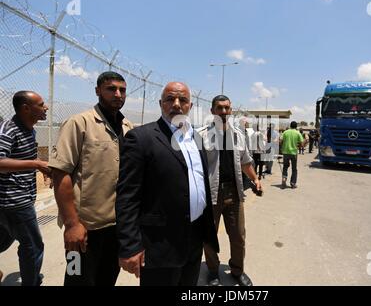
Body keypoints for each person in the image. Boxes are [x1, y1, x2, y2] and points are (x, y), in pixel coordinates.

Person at [115, 82, 219, 286]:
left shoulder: (195, 137)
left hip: (194, 237)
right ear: (161, 103)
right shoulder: (141, 138)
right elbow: (127, 197)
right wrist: (130, 245)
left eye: (183, 100)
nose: (177, 104)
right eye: (170, 99)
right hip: (160, 243)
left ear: (191, 105)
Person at [48, 71, 133, 286]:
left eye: (122, 90)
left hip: (116, 226)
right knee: (76, 278)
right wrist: (71, 224)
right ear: (97, 91)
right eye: (111, 89)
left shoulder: (127, 128)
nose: (118, 94)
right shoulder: (79, 123)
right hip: (84, 229)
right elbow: (60, 174)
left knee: (107, 278)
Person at [198, 95, 262, 287]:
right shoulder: (201, 135)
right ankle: (212, 271)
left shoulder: (238, 135)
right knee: (209, 237)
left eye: (227, 108)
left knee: (238, 236)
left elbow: (245, 161)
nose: (224, 112)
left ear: (231, 111)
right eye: (220, 108)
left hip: (234, 193)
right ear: (212, 111)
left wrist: (255, 179)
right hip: (211, 195)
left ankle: (237, 270)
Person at [0, 90, 49, 286]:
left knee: (4, 240)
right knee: (33, 246)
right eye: (41, 104)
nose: (45, 107)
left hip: (18, 198)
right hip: (13, 201)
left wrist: (38, 165)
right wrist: (36, 164)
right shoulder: (9, 130)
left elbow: (22, 159)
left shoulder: (29, 129)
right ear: (26, 108)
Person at [280, 121, 305, 189]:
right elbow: (302, 143)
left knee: (285, 167)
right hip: (293, 153)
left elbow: (280, 141)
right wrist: (298, 147)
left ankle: (284, 181)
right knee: (294, 169)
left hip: (285, 152)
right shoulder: (298, 133)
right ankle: (293, 183)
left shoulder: (285, 132)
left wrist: (283, 146)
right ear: (296, 126)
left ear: (290, 125)